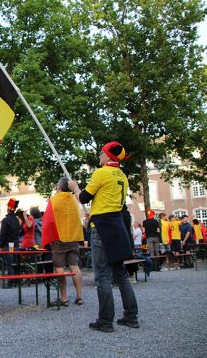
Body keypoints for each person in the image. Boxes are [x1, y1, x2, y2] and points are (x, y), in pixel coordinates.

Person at [69, 141, 138, 332]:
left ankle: (106, 320)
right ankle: (131, 316)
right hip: (118, 226)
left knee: (102, 277)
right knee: (121, 275)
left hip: (102, 228)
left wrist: (75, 187)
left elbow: (83, 197)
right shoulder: (123, 176)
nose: (99, 156)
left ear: (108, 156)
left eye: (101, 153)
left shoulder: (101, 173)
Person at [42, 177, 84, 307]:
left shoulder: (54, 200)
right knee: (74, 265)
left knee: (59, 267)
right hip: (73, 237)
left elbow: (48, 222)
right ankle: (79, 296)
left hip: (59, 238)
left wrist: (47, 240)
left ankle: (64, 298)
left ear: (59, 188)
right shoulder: (74, 199)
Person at [0, 198, 22, 289]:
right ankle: (16, 281)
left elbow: (2, 234)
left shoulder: (5, 220)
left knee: (9, 264)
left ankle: (10, 283)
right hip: (15, 244)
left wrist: (0, 245)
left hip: (7, 245)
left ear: (8, 208)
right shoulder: (17, 220)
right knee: (15, 263)